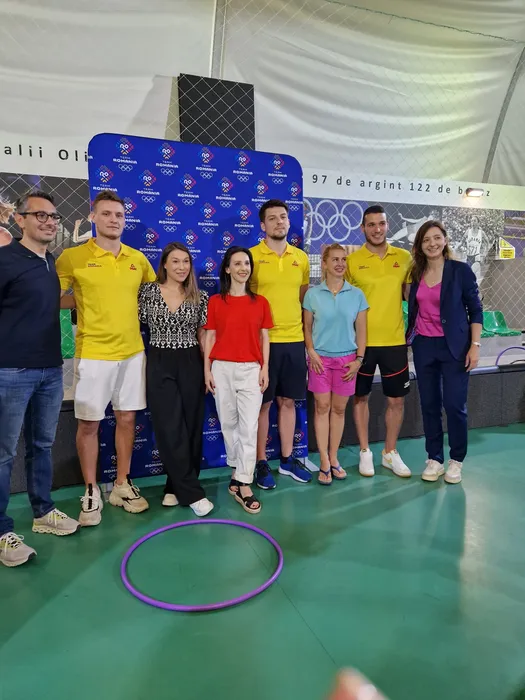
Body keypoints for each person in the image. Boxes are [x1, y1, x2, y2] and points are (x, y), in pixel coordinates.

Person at [56, 190, 156, 526]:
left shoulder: (137, 259)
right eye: (107, 214)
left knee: (127, 419)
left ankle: (121, 485)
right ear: (93, 217)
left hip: (133, 353)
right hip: (93, 353)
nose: (114, 220)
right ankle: (91, 490)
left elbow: (155, 296)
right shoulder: (72, 257)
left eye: (119, 215)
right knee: (89, 424)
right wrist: (82, 302)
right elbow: (51, 297)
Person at [0, 191, 79, 567]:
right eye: (40, 215)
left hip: (50, 370)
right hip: (11, 371)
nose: (49, 222)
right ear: (20, 219)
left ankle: (43, 512)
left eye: (53, 216)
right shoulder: (4, 260)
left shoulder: (50, 262)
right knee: (3, 454)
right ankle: (1, 532)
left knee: (42, 446)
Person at [138, 242, 214, 517]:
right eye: (175, 261)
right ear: (165, 265)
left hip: (191, 360)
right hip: (160, 360)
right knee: (169, 427)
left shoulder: (200, 297)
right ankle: (193, 493)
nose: (181, 267)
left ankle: (174, 485)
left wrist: (207, 370)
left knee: (191, 426)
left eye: (186, 261)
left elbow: (204, 336)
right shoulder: (147, 292)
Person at [406, 221, 482, 484]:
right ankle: (435, 459)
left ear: (445, 240)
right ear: (420, 245)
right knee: (429, 404)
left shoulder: (460, 271)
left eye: (437, 238)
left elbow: (476, 310)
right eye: (426, 240)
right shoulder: (416, 272)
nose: (432, 244)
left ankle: (456, 460)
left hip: (455, 348)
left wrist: (474, 345)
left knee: (454, 405)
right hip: (424, 346)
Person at [204, 247, 273, 513]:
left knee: (249, 426)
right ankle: (237, 472)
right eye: (237, 263)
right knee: (228, 424)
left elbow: (265, 337)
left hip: (251, 371)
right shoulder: (215, 302)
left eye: (247, 263)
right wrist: (207, 369)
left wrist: (264, 368)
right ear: (227, 268)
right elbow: (210, 336)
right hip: (221, 369)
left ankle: (244, 483)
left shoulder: (261, 302)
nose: (243, 268)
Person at [345, 204, 412, 479]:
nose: (377, 229)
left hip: (394, 342)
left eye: (381, 224)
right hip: (360, 344)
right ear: (363, 228)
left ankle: (389, 452)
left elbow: (412, 296)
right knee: (360, 397)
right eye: (371, 224)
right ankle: (365, 452)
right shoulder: (351, 261)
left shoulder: (405, 258)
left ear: (387, 225)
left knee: (396, 400)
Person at [250, 199, 312, 488]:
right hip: (262, 344)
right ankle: (261, 462)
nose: (279, 222)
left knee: (288, 402)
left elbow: (302, 298)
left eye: (283, 217)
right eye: (272, 218)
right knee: (262, 405)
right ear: (263, 225)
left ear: (289, 221)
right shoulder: (251, 257)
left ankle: (287, 460)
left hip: (294, 341)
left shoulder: (301, 258)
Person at [303, 244, 368, 484]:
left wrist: (359, 360)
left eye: (343, 259)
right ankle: (323, 460)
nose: (340, 264)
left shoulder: (357, 295)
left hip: (347, 361)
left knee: (339, 410)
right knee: (322, 407)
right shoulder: (312, 295)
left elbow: (362, 331)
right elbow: (307, 328)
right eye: (335, 259)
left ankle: (334, 458)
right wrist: (311, 352)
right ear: (325, 263)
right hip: (319, 360)